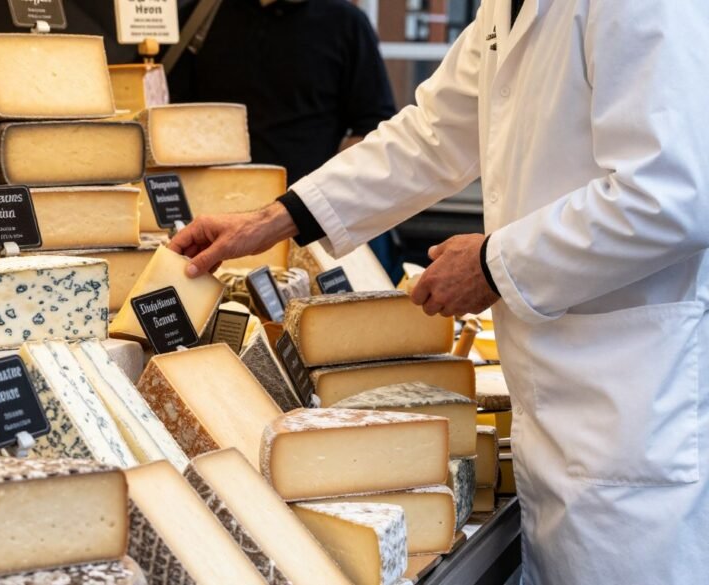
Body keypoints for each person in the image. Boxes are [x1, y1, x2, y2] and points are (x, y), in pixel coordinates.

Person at [170, 1, 709, 583]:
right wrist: (272, 220)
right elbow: (431, 135)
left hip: (631, 405)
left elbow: (673, 194)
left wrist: (493, 265)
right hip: (558, 412)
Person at [170, 0, 401, 278]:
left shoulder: (346, 22)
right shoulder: (202, 15)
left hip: (308, 223)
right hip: (218, 222)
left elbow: (373, 128)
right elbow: (172, 118)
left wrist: (324, 198)